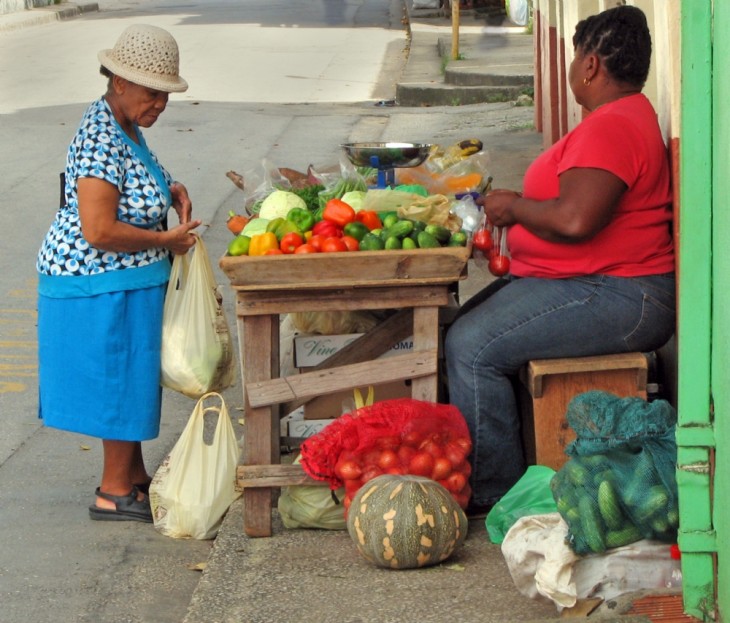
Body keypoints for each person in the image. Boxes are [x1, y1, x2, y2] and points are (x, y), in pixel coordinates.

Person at [444, 5, 676, 516]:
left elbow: (575, 220)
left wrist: (513, 208)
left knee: (471, 348)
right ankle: (497, 465)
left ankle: (497, 494)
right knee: (458, 326)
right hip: (599, 285)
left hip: (620, 294)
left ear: (590, 65)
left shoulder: (611, 126)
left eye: (574, 59)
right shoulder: (621, 118)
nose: (572, 70)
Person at [36, 24, 202, 523]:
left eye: (165, 95)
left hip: (126, 280)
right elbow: (100, 230)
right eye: (153, 93)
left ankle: (134, 478)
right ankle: (112, 490)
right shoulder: (98, 135)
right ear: (121, 82)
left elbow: (137, 175)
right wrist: (165, 241)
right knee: (118, 380)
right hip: (98, 280)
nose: (160, 104)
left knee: (132, 378)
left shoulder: (126, 125)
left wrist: (169, 188)